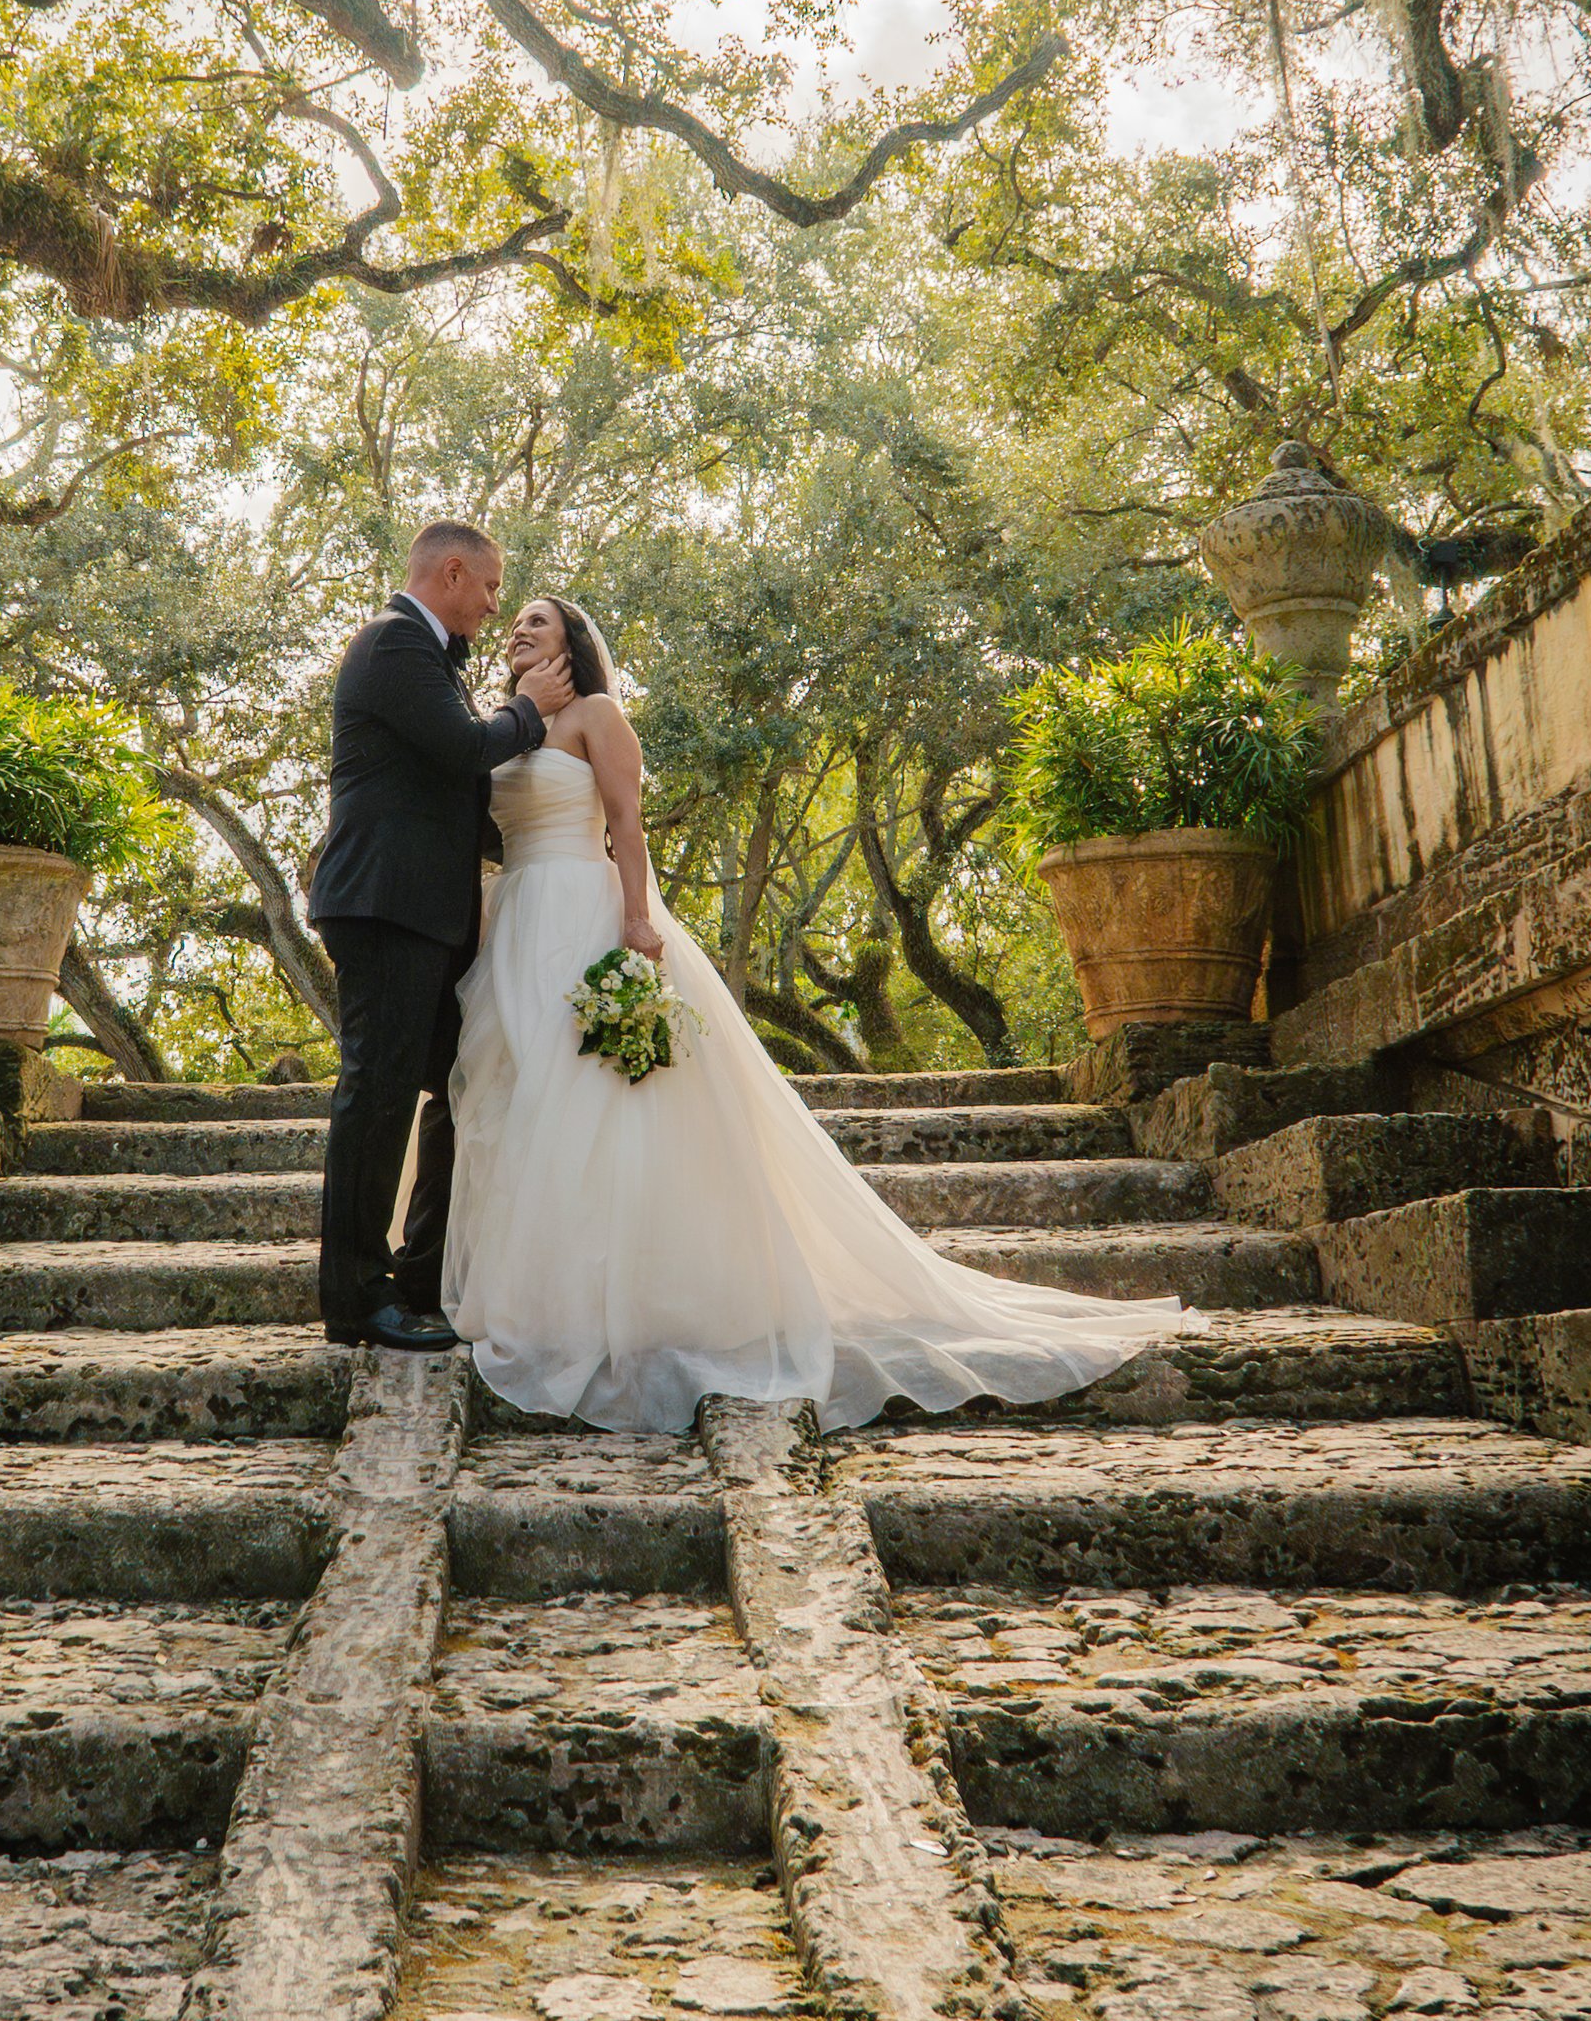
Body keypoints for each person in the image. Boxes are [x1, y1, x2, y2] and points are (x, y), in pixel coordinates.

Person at [444, 593, 1187, 1434]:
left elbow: (626, 823)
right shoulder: (503, 722)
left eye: (536, 622)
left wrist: (637, 922)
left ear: (571, 643)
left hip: (584, 909)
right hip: (516, 926)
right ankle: (542, 1299)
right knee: (523, 1103)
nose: (519, 630)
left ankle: (632, 1305)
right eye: (515, 624)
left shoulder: (596, 714)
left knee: (596, 1099)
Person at [308, 523, 577, 1350]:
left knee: (466, 1077)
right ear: (452, 573)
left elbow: (453, 799)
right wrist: (529, 713)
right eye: (491, 588)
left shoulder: (426, 660)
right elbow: (464, 751)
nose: (496, 607)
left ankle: (423, 1271)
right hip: (386, 909)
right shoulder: (393, 644)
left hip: (423, 915)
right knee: (377, 1091)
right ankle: (356, 1300)